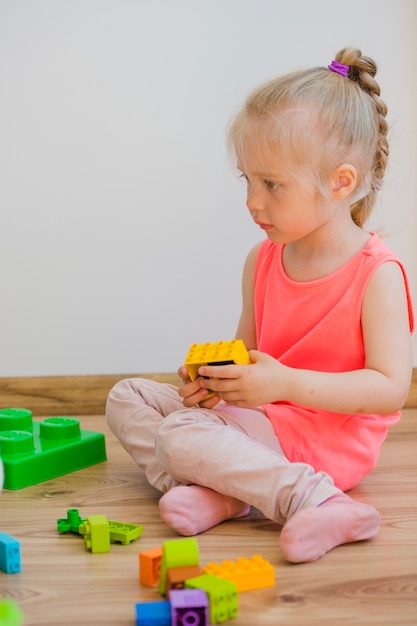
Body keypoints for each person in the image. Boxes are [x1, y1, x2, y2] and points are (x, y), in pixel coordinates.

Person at [106, 48, 414, 563]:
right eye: (247, 179)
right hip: (265, 417)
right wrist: (213, 379)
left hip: (323, 438)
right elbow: (247, 351)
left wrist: (285, 383)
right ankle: (228, 490)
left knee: (180, 435)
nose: (253, 199)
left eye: (271, 184)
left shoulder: (376, 273)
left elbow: (389, 391)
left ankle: (317, 500)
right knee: (127, 396)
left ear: (340, 183)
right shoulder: (262, 259)